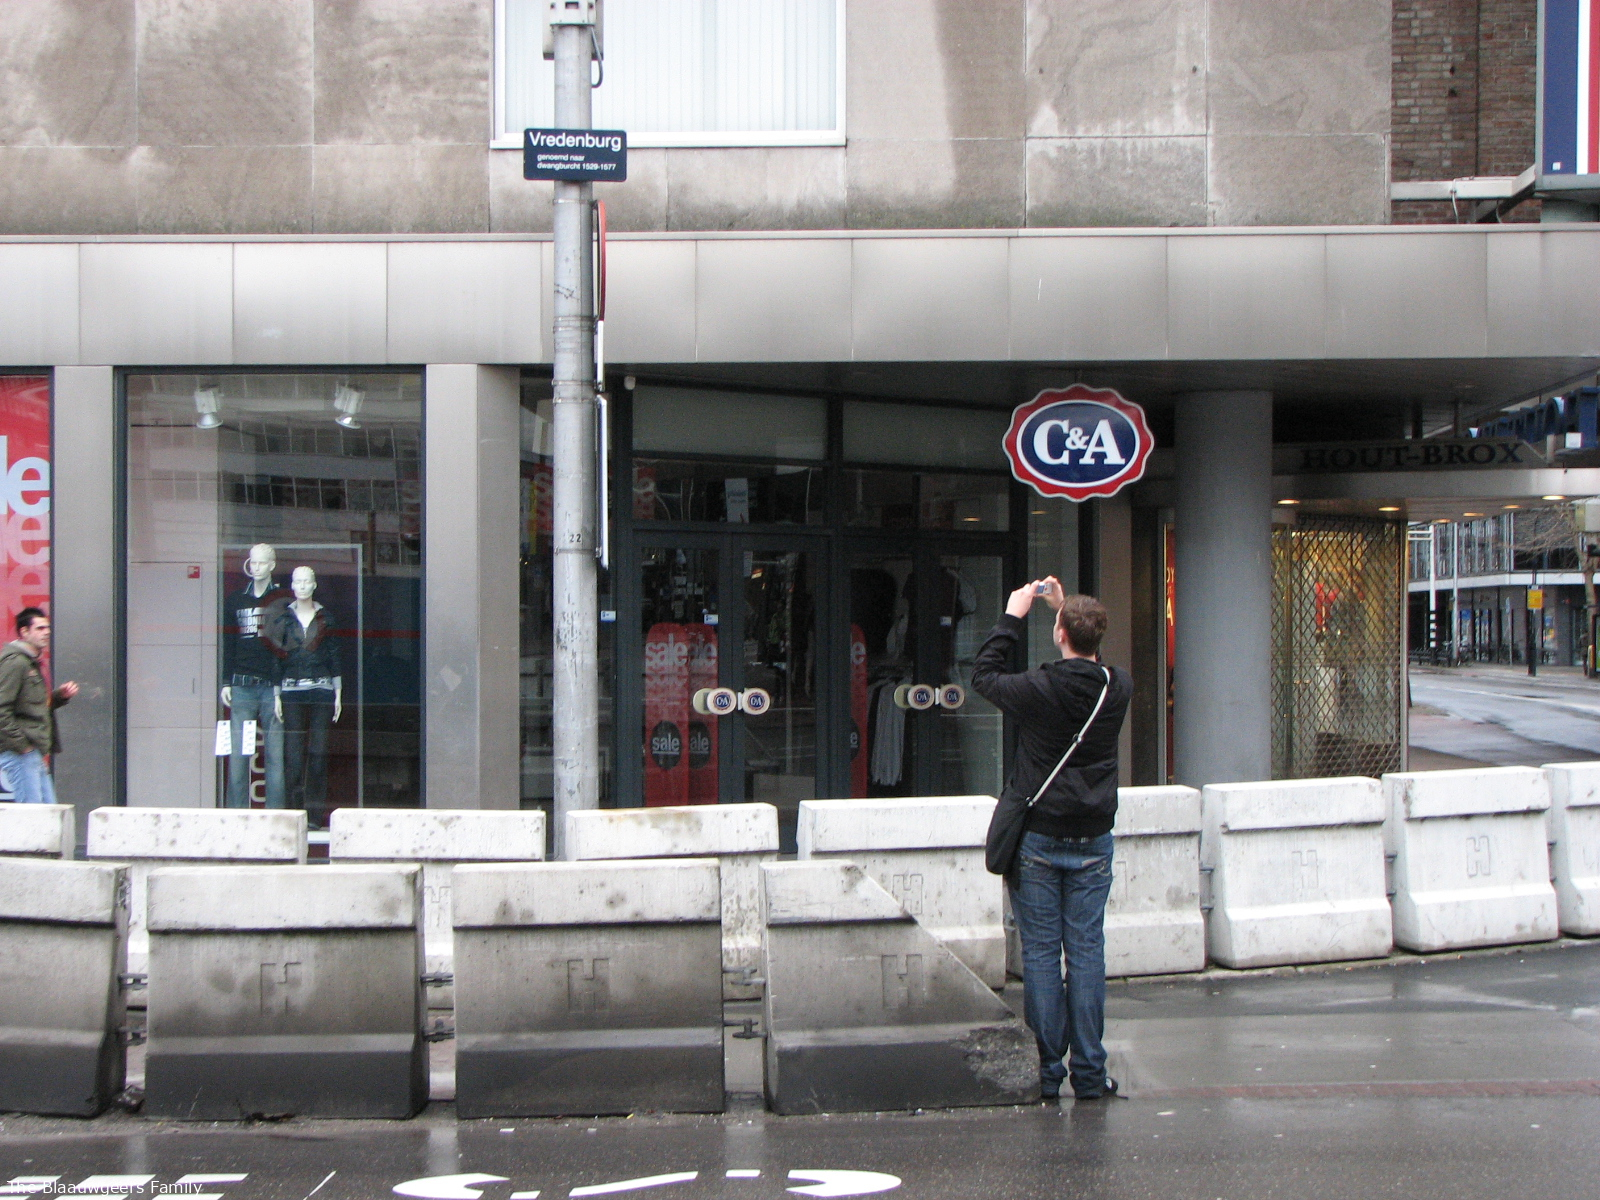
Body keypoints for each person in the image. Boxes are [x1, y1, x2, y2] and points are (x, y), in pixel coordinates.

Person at [971, 577, 1132, 1102]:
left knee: (1040, 953)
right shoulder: (1117, 687)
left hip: (1039, 837)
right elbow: (1095, 666)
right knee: (1086, 952)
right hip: (1093, 836)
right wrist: (1067, 611)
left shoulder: (1038, 688)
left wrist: (1013, 615)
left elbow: (984, 674)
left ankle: (1045, 1072)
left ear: (1059, 634)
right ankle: (1090, 1073)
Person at [0, 607, 79, 804]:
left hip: (32, 753)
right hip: (20, 754)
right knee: (34, 814)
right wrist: (22, 746)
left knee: (47, 812)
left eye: (48, 628)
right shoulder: (16, 663)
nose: (47, 632)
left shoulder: (30, 663)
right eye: (40, 628)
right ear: (24, 632)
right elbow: (1, 708)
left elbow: (31, 706)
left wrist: (59, 697)